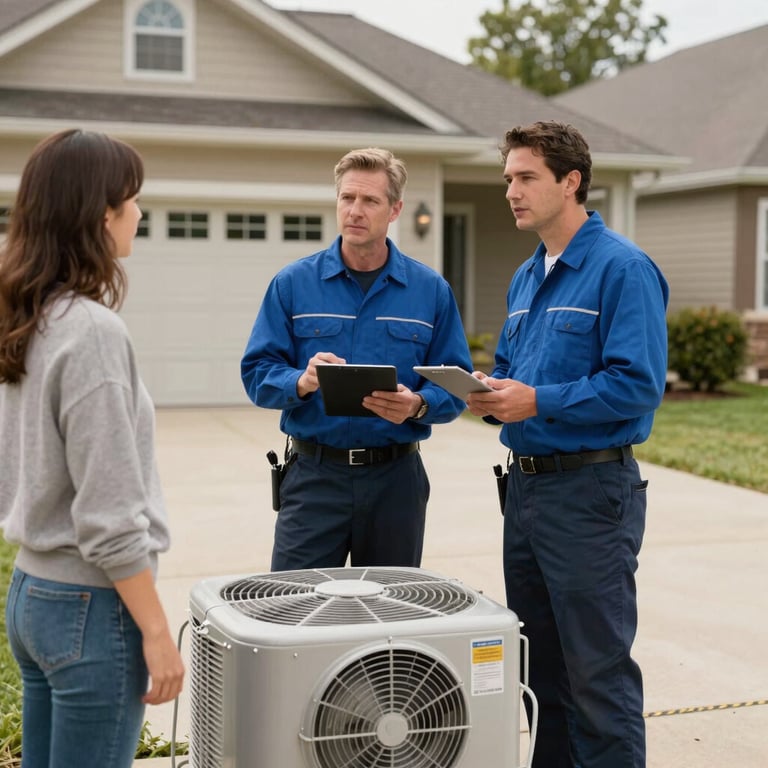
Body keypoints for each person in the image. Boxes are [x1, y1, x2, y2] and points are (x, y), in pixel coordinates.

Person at [466, 121, 669, 768]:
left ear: (570, 181)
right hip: (525, 493)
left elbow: (636, 386)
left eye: (526, 178)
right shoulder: (526, 278)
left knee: (596, 676)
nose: (512, 192)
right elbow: (513, 367)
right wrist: (490, 392)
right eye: (507, 180)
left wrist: (538, 400)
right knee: (541, 674)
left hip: (590, 494)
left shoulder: (623, 269)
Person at [0, 129, 185, 768]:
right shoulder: (91, 332)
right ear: (101, 213)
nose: (139, 212)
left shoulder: (26, 318)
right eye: (131, 199)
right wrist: (157, 633)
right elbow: (107, 515)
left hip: (31, 595)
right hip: (90, 608)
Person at [241, 147, 472, 571]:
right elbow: (257, 373)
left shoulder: (430, 291)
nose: (355, 210)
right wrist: (302, 381)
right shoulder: (292, 285)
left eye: (370, 200)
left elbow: (455, 386)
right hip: (314, 479)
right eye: (347, 198)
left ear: (395, 209)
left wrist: (418, 404)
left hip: (395, 483)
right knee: (294, 608)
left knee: (391, 615)